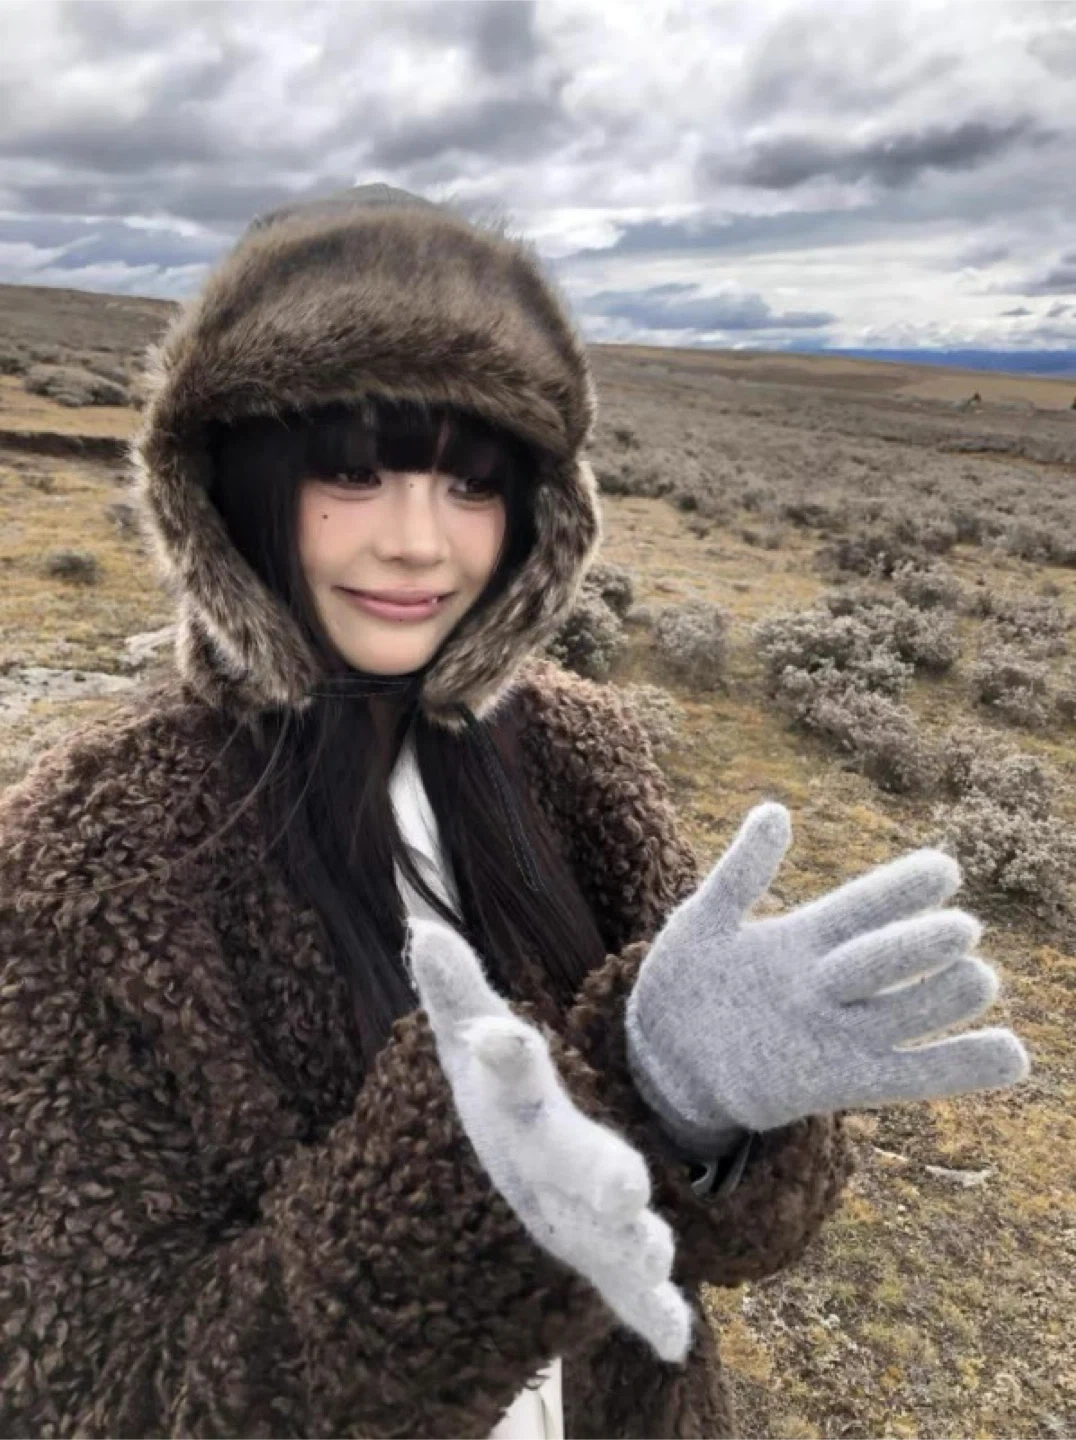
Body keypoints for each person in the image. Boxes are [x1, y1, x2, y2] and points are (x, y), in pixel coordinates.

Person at [0, 185, 1029, 1440]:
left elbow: (733, 1238)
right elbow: (104, 1394)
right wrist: (478, 1214)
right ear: (227, 486)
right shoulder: (87, 868)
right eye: (354, 471)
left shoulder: (579, 757)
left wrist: (703, 1114)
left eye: (471, 485)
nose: (419, 544)